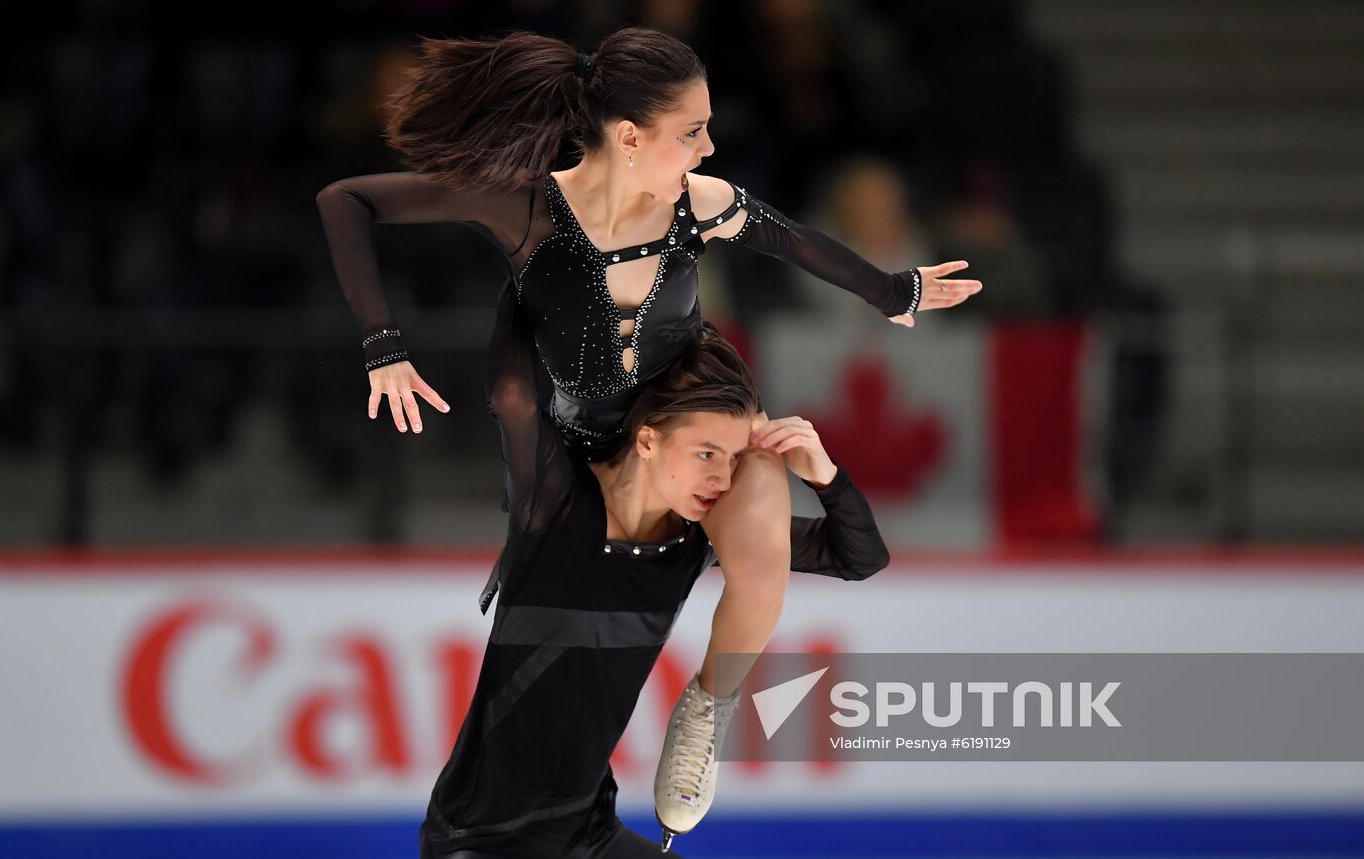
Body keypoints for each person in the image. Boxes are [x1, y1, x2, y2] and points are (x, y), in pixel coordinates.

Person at [314, 26, 981, 839]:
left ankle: (707, 707)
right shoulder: (528, 207)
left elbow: (796, 242)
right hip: (580, 449)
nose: (710, 144)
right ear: (629, 136)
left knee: (764, 516)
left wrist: (892, 291)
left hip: (685, 425)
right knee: (524, 425)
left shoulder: (696, 206)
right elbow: (346, 199)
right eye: (692, 130)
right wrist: (383, 344)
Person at [419, 283, 889, 858]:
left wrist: (825, 476)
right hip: (479, 839)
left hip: (587, 834)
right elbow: (513, 394)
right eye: (706, 454)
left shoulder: (696, 538)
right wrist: (528, 271)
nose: (722, 478)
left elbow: (859, 557)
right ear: (647, 440)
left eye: (735, 458)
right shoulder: (556, 498)